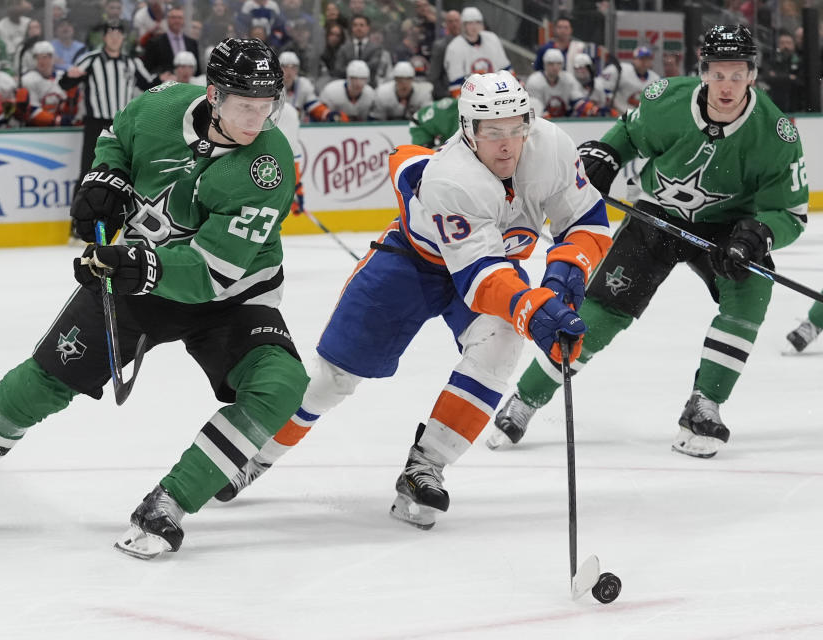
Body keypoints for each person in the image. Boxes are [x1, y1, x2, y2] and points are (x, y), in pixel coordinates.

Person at [0, 38, 309, 562]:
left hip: (232, 295)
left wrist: (138, 263)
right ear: (213, 95)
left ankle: (170, 503)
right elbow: (116, 136)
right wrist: (103, 175)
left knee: (282, 385)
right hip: (137, 281)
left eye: (268, 105)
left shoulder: (267, 165)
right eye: (246, 105)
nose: (258, 118)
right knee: (39, 383)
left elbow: (213, 273)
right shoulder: (159, 106)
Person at [214, 70, 612, 529]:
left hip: (492, 265)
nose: (508, 144)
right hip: (411, 264)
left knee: (502, 341)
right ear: (468, 130)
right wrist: (534, 309)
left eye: (516, 127)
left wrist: (561, 285)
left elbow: (585, 221)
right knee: (333, 379)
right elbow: (480, 279)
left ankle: (426, 466)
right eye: (492, 131)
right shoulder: (453, 177)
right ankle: (254, 455)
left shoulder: (552, 147)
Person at [488, 25, 808, 459]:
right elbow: (628, 133)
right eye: (718, 74)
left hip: (728, 229)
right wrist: (606, 154)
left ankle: (705, 403)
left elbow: (789, 213)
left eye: (737, 75)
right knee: (600, 314)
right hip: (657, 215)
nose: (726, 86)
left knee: (752, 288)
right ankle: (526, 399)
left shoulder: (775, 135)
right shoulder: (666, 102)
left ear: (753, 75)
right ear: (703, 72)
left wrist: (759, 233)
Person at [60, 21, 157, 180]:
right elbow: (66, 83)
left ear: (123, 38)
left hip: (121, 123)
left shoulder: (132, 62)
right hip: (96, 124)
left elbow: (149, 85)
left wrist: (164, 78)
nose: (114, 38)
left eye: (118, 35)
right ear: (104, 38)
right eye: (111, 35)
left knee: (125, 167)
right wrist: (69, 76)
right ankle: (82, 204)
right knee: (89, 168)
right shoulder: (91, 60)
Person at [444, 7, 510, 97]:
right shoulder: (454, 47)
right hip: (472, 96)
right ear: (463, 25)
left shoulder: (492, 39)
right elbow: (456, 85)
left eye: (477, 22)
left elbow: (506, 68)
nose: (474, 26)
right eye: (470, 23)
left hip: (496, 90)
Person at [18, 40, 81, 126]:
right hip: (38, 129)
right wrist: (57, 120)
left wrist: (72, 101)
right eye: (37, 58)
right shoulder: (28, 79)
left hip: (62, 129)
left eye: (45, 57)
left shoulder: (63, 77)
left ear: (52, 58)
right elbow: (32, 111)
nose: (41, 61)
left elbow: (70, 109)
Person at [525, 47, 585, 118]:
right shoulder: (534, 81)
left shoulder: (568, 79)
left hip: (565, 121)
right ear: (545, 64)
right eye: (551, 64)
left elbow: (578, 101)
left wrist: (589, 108)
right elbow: (535, 108)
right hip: (542, 122)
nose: (555, 67)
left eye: (559, 63)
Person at [142, 6, 200, 78]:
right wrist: (160, 76)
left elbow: (197, 70)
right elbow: (148, 69)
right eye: (173, 17)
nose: (177, 21)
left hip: (188, 86)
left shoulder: (192, 43)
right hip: (165, 85)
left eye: (180, 18)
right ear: (167, 20)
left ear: (184, 20)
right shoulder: (154, 43)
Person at [602, 45, 660, 115]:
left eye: (647, 59)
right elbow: (605, 90)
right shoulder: (620, 70)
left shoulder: (655, 78)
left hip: (643, 118)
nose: (644, 62)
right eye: (641, 59)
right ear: (634, 59)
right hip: (620, 115)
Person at [427, 9, 460, 100]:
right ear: (446, 24)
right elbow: (434, 75)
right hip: (448, 94)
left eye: (456, 21)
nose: (454, 24)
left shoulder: (469, 43)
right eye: (451, 21)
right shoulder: (441, 46)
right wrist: (445, 95)